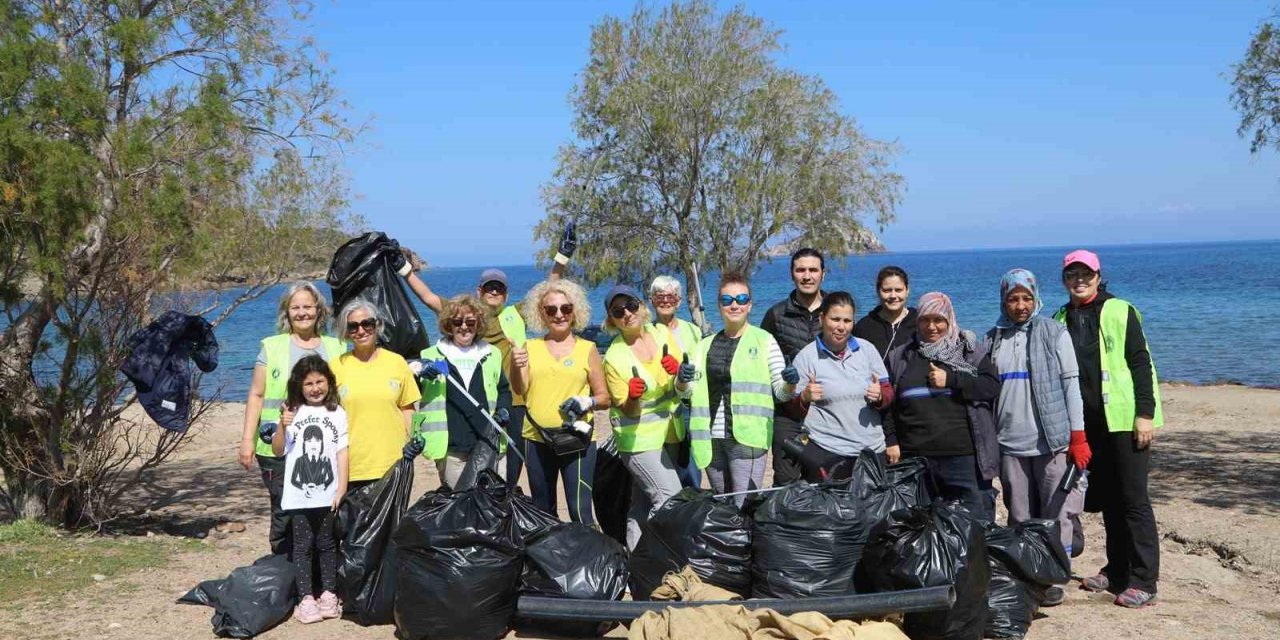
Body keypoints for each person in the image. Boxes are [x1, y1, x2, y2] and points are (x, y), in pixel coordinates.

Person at [399, 224, 576, 489]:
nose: (494, 292)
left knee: (505, 477)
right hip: (471, 405)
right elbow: (427, 297)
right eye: (489, 288)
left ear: (506, 294)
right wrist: (405, 270)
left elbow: (545, 291)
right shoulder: (462, 315)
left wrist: (561, 258)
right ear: (479, 291)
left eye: (499, 289)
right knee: (463, 481)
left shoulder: (515, 314)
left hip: (512, 404)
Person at [1053, 250, 1163, 609]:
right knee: (1110, 501)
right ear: (1065, 280)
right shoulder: (1059, 317)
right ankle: (1116, 570)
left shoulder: (1120, 310)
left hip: (1124, 420)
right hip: (1087, 425)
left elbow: (1141, 363)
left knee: (1133, 501)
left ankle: (1144, 580)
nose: (1079, 280)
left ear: (1098, 277)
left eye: (1086, 274)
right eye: (1073, 274)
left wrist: (1144, 414)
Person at [984, 269, 1090, 607]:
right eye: (1013, 299)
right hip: (1009, 444)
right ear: (1003, 301)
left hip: (1052, 442)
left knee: (1057, 514)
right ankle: (1028, 577)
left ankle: (1055, 576)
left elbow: (1071, 386)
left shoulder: (1054, 332)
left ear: (1036, 298)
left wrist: (1078, 436)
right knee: (1019, 516)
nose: (1020, 306)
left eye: (1026, 298)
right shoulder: (993, 338)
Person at [238, 282, 346, 555]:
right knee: (284, 511)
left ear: (319, 310)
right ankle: (284, 567)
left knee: (324, 510)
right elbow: (257, 394)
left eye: (308, 306)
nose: (302, 313)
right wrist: (247, 440)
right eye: (295, 307)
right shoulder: (272, 346)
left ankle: (319, 571)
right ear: (287, 312)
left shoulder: (337, 347)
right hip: (278, 446)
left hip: (323, 447)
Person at [883, 292, 1000, 522]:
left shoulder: (968, 351)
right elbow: (889, 404)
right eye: (925, 320)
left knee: (974, 527)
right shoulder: (901, 355)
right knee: (920, 528)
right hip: (916, 459)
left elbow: (991, 387)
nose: (931, 327)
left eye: (939, 320)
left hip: (963, 458)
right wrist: (891, 439)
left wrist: (953, 380)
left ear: (950, 320)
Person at [602, 284, 696, 548]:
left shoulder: (662, 333)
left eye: (631, 305)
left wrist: (679, 374)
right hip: (638, 440)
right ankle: (655, 556)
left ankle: (635, 560)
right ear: (611, 320)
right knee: (669, 497)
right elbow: (628, 410)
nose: (627, 314)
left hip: (670, 431)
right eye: (618, 311)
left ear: (642, 306)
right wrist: (632, 397)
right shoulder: (614, 357)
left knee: (642, 504)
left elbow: (682, 388)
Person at [509, 278, 610, 524]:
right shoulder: (529, 347)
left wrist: (587, 402)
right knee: (543, 510)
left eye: (565, 308)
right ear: (541, 314)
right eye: (551, 309)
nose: (559, 314)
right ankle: (551, 551)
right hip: (536, 438)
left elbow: (604, 397)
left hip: (577, 439)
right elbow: (520, 389)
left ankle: (590, 550)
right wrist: (516, 365)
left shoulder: (587, 348)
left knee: (580, 510)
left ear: (575, 311)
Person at [690, 272, 795, 506]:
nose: (734, 305)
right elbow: (688, 392)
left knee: (744, 506)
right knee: (722, 505)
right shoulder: (704, 345)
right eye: (727, 300)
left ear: (750, 305)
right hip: (710, 439)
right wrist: (681, 381)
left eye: (741, 299)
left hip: (748, 440)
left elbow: (782, 392)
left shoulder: (764, 340)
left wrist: (791, 383)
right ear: (719, 305)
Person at [271, 355, 348, 624]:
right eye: (308, 384)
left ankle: (329, 593)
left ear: (329, 382)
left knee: (327, 543)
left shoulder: (337, 413)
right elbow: (278, 450)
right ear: (299, 386)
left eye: (320, 382)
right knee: (303, 546)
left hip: (328, 496)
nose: (315, 388)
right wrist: (282, 425)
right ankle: (305, 597)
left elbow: (342, 452)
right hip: (298, 497)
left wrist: (341, 487)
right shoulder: (292, 411)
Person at [788, 292, 895, 482]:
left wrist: (880, 396)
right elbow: (792, 409)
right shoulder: (806, 357)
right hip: (828, 451)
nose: (841, 327)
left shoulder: (867, 349)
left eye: (847, 321)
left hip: (871, 450)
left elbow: (887, 391)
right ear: (822, 319)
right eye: (835, 319)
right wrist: (804, 397)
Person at [410, 294, 513, 490]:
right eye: (457, 322)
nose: (464, 327)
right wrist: (416, 367)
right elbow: (404, 379)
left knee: (493, 502)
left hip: (489, 442)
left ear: (479, 324)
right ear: (448, 324)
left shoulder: (492, 353)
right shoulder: (430, 355)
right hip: (452, 449)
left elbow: (503, 390)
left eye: (470, 322)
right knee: (458, 503)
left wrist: (504, 409)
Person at [326, 299, 422, 488]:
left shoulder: (397, 362)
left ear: (377, 325)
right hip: (352, 466)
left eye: (367, 324)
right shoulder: (335, 367)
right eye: (353, 326)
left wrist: (416, 438)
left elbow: (408, 408)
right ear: (346, 332)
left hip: (395, 464)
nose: (361, 331)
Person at [760, 248, 827, 486]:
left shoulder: (834, 311)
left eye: (813, 270)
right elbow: (762, 365)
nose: (807, 276)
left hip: (827, 409)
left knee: (825, 479)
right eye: (801, 270)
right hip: (787, 413)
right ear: (792, 274)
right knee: (786, 482)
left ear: (823, 274)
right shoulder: (776, 315)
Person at [647, 275, 705, 488]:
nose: (665, 301)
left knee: (691, 467)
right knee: (665, 471)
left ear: (679, 301)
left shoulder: (692, 330)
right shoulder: (645, 332)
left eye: (670, 296)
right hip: (660, 410)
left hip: (690, 406)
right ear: (651, 300)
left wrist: (682, 371)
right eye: (659, 296)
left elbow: (700, 369)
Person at [854, 265, 917, 361]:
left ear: (907, 290)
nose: (893, 296)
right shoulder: (863, 327)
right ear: (878, 291)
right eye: (887, 290)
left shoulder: (919, 322)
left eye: (898, 290)